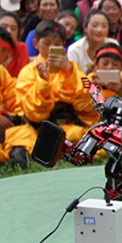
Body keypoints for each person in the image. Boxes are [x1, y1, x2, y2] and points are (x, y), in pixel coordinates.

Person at [14, 20, 100, 152]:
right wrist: (43, 82)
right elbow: (34, 113)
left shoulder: (72, 67)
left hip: (70, 122)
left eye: (57, 44)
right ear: (36, 44)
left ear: (64, 45)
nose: (51, 48)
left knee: (79, 134)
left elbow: (87, 103)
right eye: (47, 43)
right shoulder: (28, 71)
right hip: (40, 125)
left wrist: (69, 71)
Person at [68, 9, 118, 74]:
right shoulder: (74, 50)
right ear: (85, 28)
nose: (100, 30)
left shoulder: (113, 44)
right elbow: (73, 77)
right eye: (95, 25)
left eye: (104, 26)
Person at [0, 12, 30, 77]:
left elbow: (23, 77)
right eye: (3, 27)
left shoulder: (21, 48)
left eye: (13, 29)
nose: (9, 31)